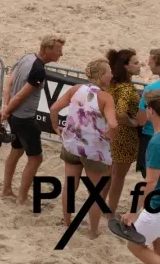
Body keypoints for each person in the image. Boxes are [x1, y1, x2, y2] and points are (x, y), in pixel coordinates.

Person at [49, 58, 117, 237]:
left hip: (72, 145)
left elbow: (54, 108)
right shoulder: (106, 97)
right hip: (94, 150)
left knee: (70, 186)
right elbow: (113, 124)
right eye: (109, 72)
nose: (111, 75)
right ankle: (93, 231)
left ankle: (66, 222)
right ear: (101, 75)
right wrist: (110, 138)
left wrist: (56, 127)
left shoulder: (75, 89)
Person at [0, 35, 65, 204]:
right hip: (25, 119)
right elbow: (21, 96)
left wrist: (6, 108)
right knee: (36, 158)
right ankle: (22, 198)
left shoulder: (26, 57)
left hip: (15, 116)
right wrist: (6, 111)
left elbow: (8, 82)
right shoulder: (38, 70)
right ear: (47, 49)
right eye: (58, 50)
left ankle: (6, 190)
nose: (61, 54)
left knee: (16, 151)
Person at [121, 90, 160, 264]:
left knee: (134, 245)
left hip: (157, 206)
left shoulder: (156, 142)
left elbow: (150, 181)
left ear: (150, 110)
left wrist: (133, 211)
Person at [106, 49, 141, 215]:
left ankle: (102, 207)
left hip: (112, 133)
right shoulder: (126, 89)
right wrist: (132, 122)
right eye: (136, 63)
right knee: (118, 177)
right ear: (126, 66)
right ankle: (110, 211)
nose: (139, 65)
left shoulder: (113, 84)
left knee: (110, 173)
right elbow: (120, 113)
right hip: (125, 136)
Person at [136, 49, 160, 177]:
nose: (149, 64)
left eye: (151, 61)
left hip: (151, 136)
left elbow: (141, 120)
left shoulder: (150, 89)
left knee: (150, 177)